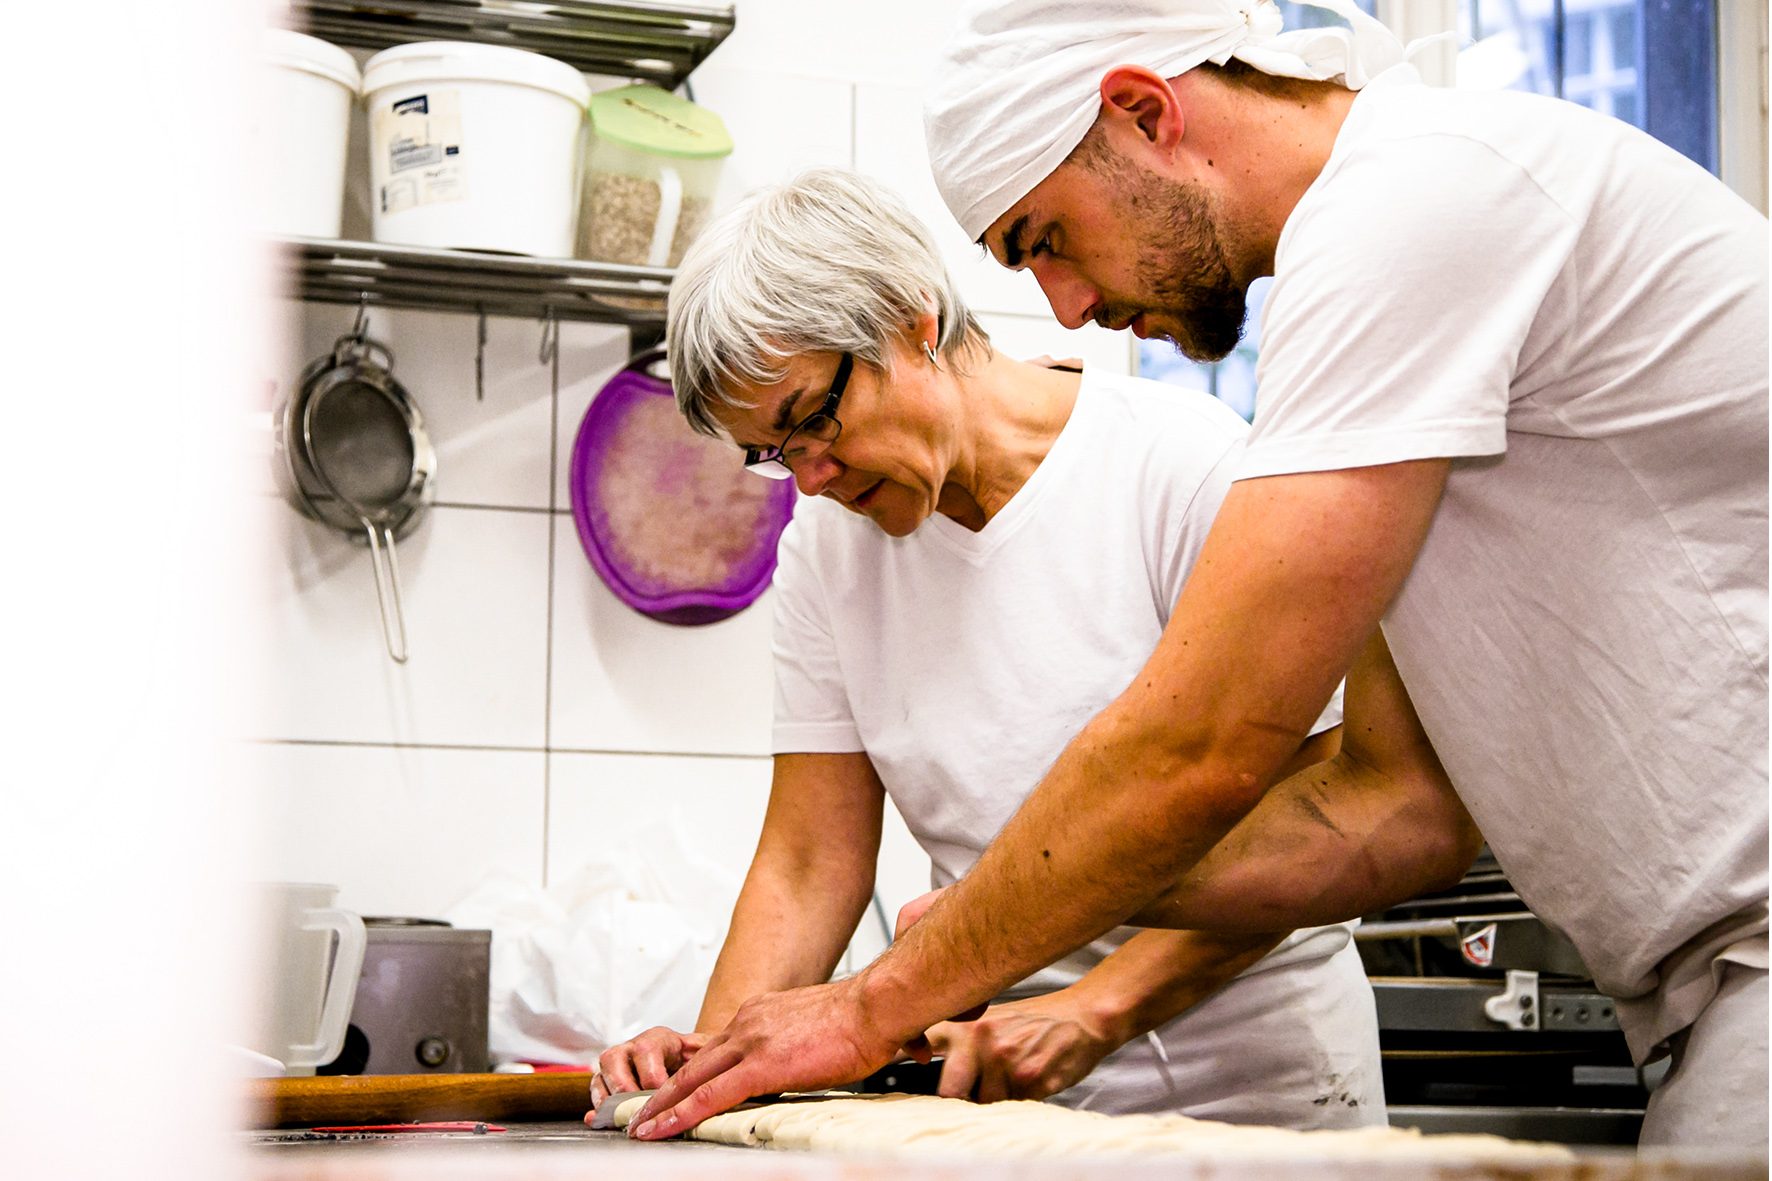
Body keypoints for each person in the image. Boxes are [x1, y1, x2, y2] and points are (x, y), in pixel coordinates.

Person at [625, 0, 1768, 1150]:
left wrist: (889, 994)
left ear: (1142, 110)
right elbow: (1395, 807)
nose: (1063, 308)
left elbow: (1198, 747)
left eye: (1046, 239)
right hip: (1703, 984)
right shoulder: (1376, 268)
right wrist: (754, 1053)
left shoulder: (1413, 207)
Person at [589, 167, 1459, 1126]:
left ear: (911, 318)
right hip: (992, 1113)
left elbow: (1326, 802)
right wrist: (708, 1077)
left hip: (1259, 1100)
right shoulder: (825, 552)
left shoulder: (1181, 468)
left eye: (810, 422)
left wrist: (1094, 1008)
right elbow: (808, 860)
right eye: (774, 453)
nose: (813, 478)